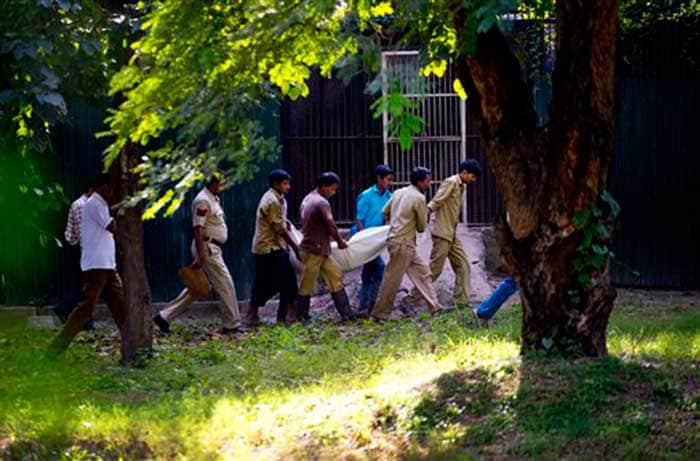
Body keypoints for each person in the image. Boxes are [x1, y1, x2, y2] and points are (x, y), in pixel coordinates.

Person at [152, 172, 249, 334]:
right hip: (206, 247)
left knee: (198, 287)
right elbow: (198, 228)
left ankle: (163, 317)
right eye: (223, 182)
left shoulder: (213, 198)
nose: (225, 185)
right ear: (214, 182)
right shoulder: (203, 200)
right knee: (225, 283)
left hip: (211, 246)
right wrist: (201, 253)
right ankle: (232, 324)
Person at [48, 174, 127, 355]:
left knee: (120, 306)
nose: (112, 193)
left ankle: (132, 345)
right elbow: (112, 227)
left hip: (106, 264)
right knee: (85, 309)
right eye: (111, 189)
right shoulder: (95, 204)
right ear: (103, 188)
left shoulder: (100, 204)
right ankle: (55, 349)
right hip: (97, 266)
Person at [371, 167, 452, 321]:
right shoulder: (419, 198)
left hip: (400, 243)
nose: (430, 183)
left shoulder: (398, 192)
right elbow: (421, 227)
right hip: (404, 244)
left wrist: (399, 220)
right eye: (428, 180)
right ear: (420, 182)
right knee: (392, 280)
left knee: (423, 273)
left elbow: (384, 212)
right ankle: (379, 315)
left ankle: (435, 307)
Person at [408, 159, 481, 307]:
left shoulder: (461, 186)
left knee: (463, 265)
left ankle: (460, 304)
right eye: (472, 177)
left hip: (451, 234)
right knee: (434, 271)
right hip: (442, 233)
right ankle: (410, 300)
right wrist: (420, 216)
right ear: (464, 172)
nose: (473, 180)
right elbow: (436, 201)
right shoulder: (451, 182)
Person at [295, 172, 359, 323]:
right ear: (324, 186)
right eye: (332, 188)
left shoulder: (308, 198)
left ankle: (346, 314)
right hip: (314, 250)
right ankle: (301, 316)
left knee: (335, 275)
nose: (334, 192)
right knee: (307, 283)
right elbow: (331, 225)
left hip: (317, 249)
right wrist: (340, 241)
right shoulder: (321, 202)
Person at [245, 169, 301, 327]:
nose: (288, 186)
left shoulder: (278, 198)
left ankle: (256, 314)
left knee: (267, 281)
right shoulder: (272, 201)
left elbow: (280, 221)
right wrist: (295, 248)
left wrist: (286, 221)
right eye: (285, 183)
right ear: (276, 184)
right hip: (269, 247)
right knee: (287, 280)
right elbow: (280, 229)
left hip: (269, 247)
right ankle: (285, 316)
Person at [51, 182, 96, 329]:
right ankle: (64, 307)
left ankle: (85, 320)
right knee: (88, 287)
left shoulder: (76, 204)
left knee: (87, 286)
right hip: (87, 251)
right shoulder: (87, 206)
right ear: (90, 190)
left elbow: (70, 235)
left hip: (77, 249)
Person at [351, 165, 393, 315]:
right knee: (379, 268)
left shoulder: (389, 196)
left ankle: (365, 306)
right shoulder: (366, 195)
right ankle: (370, 305)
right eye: (387, 179)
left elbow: (387, 218)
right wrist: (364, 241)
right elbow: (360, 220)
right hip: (363, 238)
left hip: (376, 238)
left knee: (368, 272)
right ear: (379, 179)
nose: (390, 182)